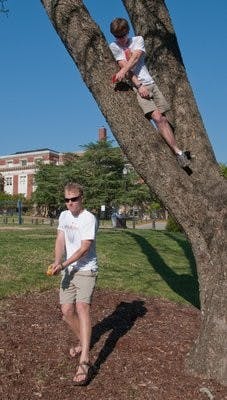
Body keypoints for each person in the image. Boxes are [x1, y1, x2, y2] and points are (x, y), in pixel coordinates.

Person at [109, 18, 190, 168]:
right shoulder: (114, 47)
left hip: (151, 83)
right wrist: (139, 86)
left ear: (127, 32)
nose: (119, 39)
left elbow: (135, 58)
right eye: (116, 36)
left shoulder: (138, 39)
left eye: (122, 35)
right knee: (158, 118)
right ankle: (178, 153)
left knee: (164, 119)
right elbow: (126, 67)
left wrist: (122, 70)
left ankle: (176, 151)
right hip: (138, 85)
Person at [51, 182, 98, 386]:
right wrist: (56, 261)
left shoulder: (89, 218)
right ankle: (84, 341)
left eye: (74, 199)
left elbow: (84, 249)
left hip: (86, 270)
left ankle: (85, 359)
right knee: (67, 311)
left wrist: (63, 264)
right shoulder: (64, 216)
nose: (70, 203)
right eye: (67, 200)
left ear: (82, 198)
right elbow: (60, 239)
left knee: (81, 307)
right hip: (67, 269)